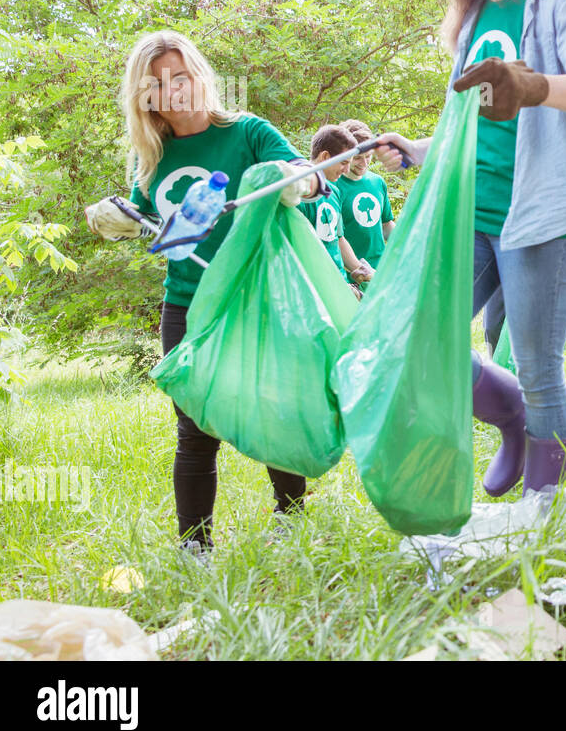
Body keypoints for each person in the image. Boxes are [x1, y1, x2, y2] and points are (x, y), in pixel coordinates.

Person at [375, 0, 566, 493]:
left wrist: (536, 86)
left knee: (538, 368)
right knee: (421, 342)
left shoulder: (559, 5)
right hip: (469, 214)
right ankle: (512, 419)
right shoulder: (473, 20)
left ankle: (547, 505)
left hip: (540, 218)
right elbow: (465, 126)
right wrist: (413, 149)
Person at [83, 30, 326, 561]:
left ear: (201, 76)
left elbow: (313, 179)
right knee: (193, 429)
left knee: (272, 409)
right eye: (159, 84)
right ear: (144, 95)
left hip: (255, 296)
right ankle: (195, 549)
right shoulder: (150, 157)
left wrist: (295, 182)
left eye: (183, 76)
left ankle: (292, 522)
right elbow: (149, 222)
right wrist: (116, 219)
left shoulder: (248, 132)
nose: (175, 91)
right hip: (187, 302)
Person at [298, 124, 375, 293]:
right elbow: (300, 249)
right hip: (315, 288)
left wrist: (360, 270)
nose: (347, 169)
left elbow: (338, 239)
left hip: (339, 284)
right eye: (344, 162)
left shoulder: (334, 191)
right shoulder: (299, 193)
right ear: (325, 156)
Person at [336, 119, 396, 290]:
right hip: (351, 277)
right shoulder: (333, 186)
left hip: (379, 272)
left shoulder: (377, 182)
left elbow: (386, 225)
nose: (364, 163)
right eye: (358, 158)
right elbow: (337, 239)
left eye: (368, 157)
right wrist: (361, 272)